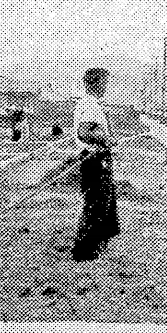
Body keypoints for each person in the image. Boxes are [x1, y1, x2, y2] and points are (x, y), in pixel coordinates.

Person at [71, 67, 120, 262]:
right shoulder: (89, 105)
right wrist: (106, 139)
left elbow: (93, 130)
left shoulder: (92, 104)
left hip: (99, 158)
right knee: (96, 205)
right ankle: (84, 253)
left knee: (105, 204)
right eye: (105, 83)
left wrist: (106, 138)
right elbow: (84, 132)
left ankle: (97, 247)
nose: (107, 87)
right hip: (93, 159)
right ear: (96, 83)